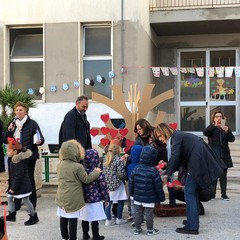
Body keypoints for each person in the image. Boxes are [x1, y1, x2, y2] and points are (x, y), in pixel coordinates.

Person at [154, 123, 225, 235]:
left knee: (189, 192)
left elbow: (175, 156)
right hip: (198, 156)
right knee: (192, 192)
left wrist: (167, 175)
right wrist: (167, 169)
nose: (160, 139)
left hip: (197, 158)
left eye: (160, 136)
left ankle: (192, 227)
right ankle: (192, 222)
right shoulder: (178, 136)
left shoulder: (175, 137)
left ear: (164, 132)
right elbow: (179, 159)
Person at [56, 140, 101, 240]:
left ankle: (64, 237)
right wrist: (96, 172)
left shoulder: (60, 165)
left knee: (63, 218)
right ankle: (73, 238)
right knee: (73, 219)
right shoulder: (78, 167)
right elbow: (86, 179)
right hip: (73, 198)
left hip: (61, 196)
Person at [4, 101, 44, 210]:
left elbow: (40, 138)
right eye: (16, 110)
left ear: (26, 111)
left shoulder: (32, 124)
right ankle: (16, 205)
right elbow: (4, 139)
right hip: (14, 157)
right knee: (15, 179)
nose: (18, 112)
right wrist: (8, 131)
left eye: (21, 110)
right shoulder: (12, 124)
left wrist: (39, 141)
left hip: (28, 156)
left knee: (29, 179)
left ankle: (31, 204)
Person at [128, 145, 165, 236]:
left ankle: (137, 229)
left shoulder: (136, 169)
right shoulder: (154, 171)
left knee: (138, 213)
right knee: (149, 214)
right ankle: (150, 230)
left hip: (137, 196)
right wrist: (161, 197)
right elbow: (158, 186)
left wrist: (131, 194)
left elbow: (131, 183)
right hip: (149, 197)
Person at [5, 137, 39, 225]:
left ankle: (33, 216)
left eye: (9, 151)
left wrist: (13, 188)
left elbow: (19, 177)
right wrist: (9, 182)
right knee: (9, 197)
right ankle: (12, 214)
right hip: (18, 185)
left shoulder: (17, 161)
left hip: (22, 185)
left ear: (15, 152)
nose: (7, 152)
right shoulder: (13, 160)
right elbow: (13, 175)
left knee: (26, 200)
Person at [203, 111, 235, 201]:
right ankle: (212, 194)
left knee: (223, 175)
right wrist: (214, 125)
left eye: (220, 116)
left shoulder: (225, 128)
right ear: (213, 118)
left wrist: (227, 131)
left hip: (224, 154)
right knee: (214, 175)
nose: (219, 118)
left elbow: (232, 139)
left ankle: (224, 194)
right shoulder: (211, 128)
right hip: (214, 154)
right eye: (217, 116)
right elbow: (205, 132)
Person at [80, 149, 110, 240]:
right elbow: (103, 186)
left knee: (84, 218)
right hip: (95, 199)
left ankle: (85, 235)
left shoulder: (82, 171)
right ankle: (96, 235)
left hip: (84, 199)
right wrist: (106, 198)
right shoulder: (98, 172)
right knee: (94, 218)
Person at [103, 139, 127, 226]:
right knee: (120, 201)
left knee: (108, 202)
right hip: (117, 184)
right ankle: (118, 219)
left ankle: (108, 220)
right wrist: (125, 176)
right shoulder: (119, 160)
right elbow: (121, 173)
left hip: (107, 185)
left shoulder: (106, 159)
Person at [126, 145, 143, 226]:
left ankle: (134, 217)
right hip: (141, 187)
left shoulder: (129, 166)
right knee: (141, 203)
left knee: (132, 203)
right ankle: (142, 218)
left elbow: (127, 176)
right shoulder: (142, 166)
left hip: (131, 186)